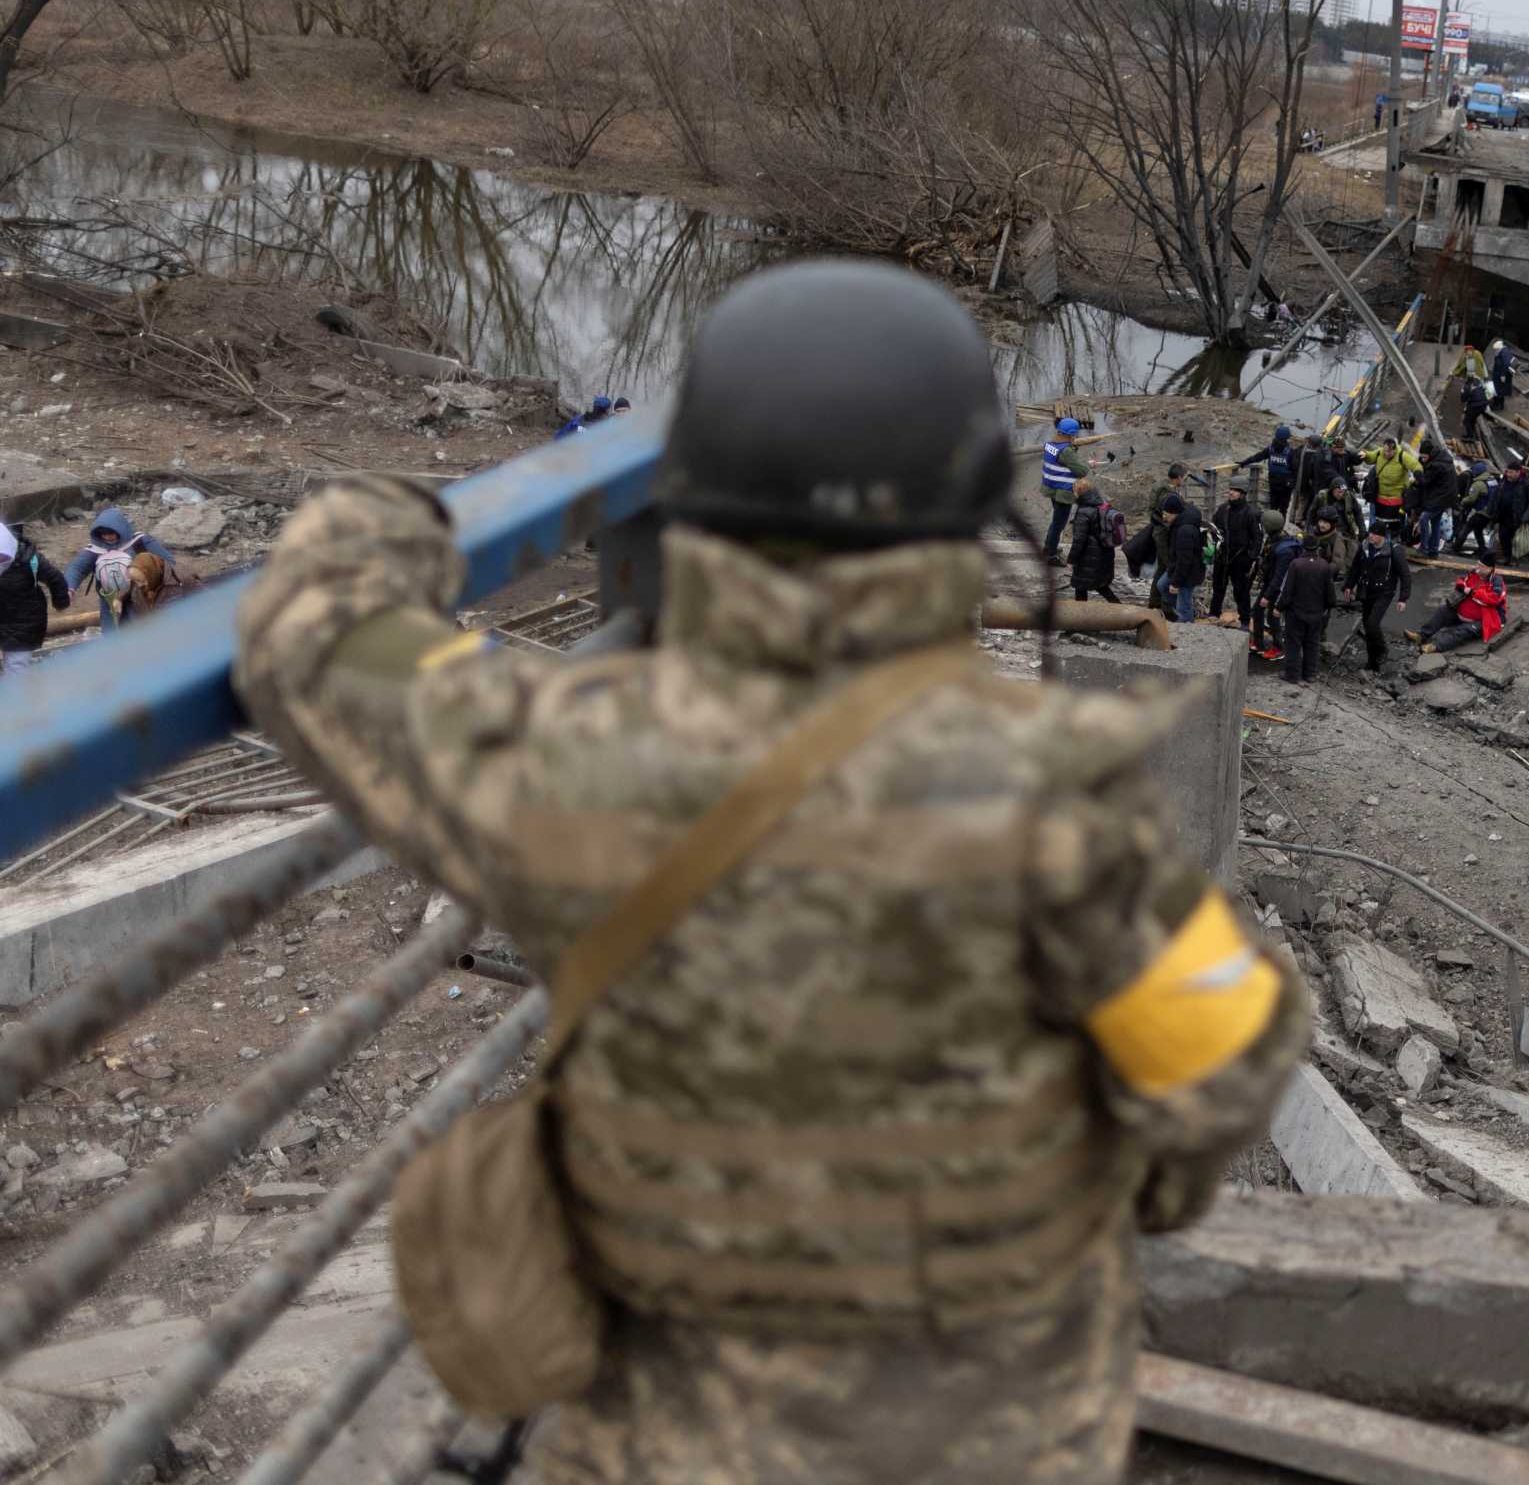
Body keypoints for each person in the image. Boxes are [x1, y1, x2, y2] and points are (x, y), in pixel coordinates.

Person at [233, 259, 1307, 1485]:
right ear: (965, 514)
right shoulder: (1065, 809)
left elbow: (320, 643)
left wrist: (387, 524)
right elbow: (1227, 1061)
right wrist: (1125, 1196)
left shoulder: (571, 758)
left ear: (694, 493)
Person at [64, 507, 177, 635]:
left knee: (145, 630)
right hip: (109, 598)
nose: (108, 536)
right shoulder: (94, 550)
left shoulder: (139, 542)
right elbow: (77, 568)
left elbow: (168, 562)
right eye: (103, 533)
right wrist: (69, 588)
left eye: (111, 532)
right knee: (113, 634)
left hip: (141, 595)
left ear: (120, 528)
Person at [0, 521, 70, 678]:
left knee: (16, 665)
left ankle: (17, 697)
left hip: (23, 620)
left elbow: (55, 578)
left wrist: (61, 601)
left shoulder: (29, 559)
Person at [1342, 523, 1411, 674]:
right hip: (1366, 591)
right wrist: (1349, 586)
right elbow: (1355, 568)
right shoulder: (1364, 547)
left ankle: (1382, 650)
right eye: (1370, 533)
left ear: (1382, 536)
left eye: (1374, 534)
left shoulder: (1394, 550)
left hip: (1384, 593)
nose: (1370, 536)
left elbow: (1405, 575)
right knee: (1368, 628)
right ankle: (1372, 664)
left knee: (1373, 624)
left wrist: (1403, 598)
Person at [1272, 527, 1338, 684]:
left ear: (1303, 547)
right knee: (1312, 644)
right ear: (1317, 549)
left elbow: (1288, 590)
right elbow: (1330, 592)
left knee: (1293, 643)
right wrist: (1329, 606)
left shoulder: (1296, 564)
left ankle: (1292, 675)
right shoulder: (1324, 566)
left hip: (1296, 612)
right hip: (1316, 614)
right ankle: (1310, 674)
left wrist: (1279, 607)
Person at [1410, 559, 1507, 653]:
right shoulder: (1473, 573)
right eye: (1478, 564)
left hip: (1483, 620)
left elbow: (1494, 599)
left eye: (1481, 566)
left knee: (1462, 631)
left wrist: (1474, 592)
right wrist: (1462, 586)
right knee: (1442, 611)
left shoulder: (1497, 581)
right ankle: (1421, 636)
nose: (1478, 567)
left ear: (1489, 569)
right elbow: (1461, 580)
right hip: (1461, 613)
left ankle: (1436, 646)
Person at [1249, 512, 1300, 662]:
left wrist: (1267, 595)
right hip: (1270, 583)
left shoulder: (1285, 551)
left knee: (1273, 617)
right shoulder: (1274, 540)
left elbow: (1279, 577)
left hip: (1278, 588)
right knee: (1257, 611)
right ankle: (1258, 643)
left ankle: (1279, 648)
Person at [1209, 484, 1263, 620]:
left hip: (1241, 557)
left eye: (1236, 490)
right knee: (1218, 587)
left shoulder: (1251, 513)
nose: (1231, 492)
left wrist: (1251, 557)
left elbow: (1257, 538)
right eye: (1231, 489)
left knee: (1241, 590)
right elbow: (1213, 528)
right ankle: (1214, 613)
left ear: (1243, 494)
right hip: (1223, 555)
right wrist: (1216, 545)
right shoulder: (1223, 509)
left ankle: (1244, 618)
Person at [1039, 416, 1089, 564]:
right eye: (1074, 434)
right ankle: (1051, 555)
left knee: (1056, 521)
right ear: (1071, 434)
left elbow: (1062, 462)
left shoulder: (1050, 445)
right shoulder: (1066, 451)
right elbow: (1082, 471)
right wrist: (1083, 463)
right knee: (1059, 524)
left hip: (1051, 489)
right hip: (1063, 493)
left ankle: (1049, 547)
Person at [1065, 483, 1122, 603]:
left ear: (1079, 493)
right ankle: (1120, 608)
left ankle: (1081, 615)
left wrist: (1071, 560)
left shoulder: (1083, 511)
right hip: (1104, 554)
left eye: (1074, 491)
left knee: (1080, 586)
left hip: (1088, 557)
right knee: (1101, 586)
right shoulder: (1102, 505)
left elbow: (1079, 540)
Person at [1156, 494, 1208, 623]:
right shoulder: (1179, 522)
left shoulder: (1185, 530)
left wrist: (1176, 583)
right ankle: (1187, 609)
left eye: (1166, 513)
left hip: (1188, 573)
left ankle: (1187, 626)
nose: (1164, 517)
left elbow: (1185, 561)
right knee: (1162, 585)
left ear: (1174, 513)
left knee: (1183, 607)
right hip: (1178, 567)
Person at [1362, 436, 1420, 541]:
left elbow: (1415, 465)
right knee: (1379, 525)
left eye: (1388, 452)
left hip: (1396, 500)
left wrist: (1418, 473)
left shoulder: (1402, 456)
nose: (1386, 454)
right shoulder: (1380, 453)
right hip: (1380, 498)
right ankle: (1378, 543)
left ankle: (1393, 543)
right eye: (1385, 451)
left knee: (1394, 526)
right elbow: (1371, 457)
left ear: (1394, 450)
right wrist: (1365, 454)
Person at [1236, 425, 1301, 515]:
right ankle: (1279, 526)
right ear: (1287, 438)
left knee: (1273, 506)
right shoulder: (1290, 452)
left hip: (1273, 481)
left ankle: (1271, 525)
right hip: (1286, 484)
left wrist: (1243, 463)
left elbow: (1257, 457)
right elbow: (1296, 469)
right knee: (1283, 509)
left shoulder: (1271, 449)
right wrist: (1292, 483)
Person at [1408, 443, 1457, 559]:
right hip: (1446, 496)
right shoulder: (1442, 457)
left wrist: (1417, 473)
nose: (1423, 460)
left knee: (1424, 519)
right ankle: (1434, 551)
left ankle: (1423, 549)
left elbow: (1424, 481)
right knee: (1435, 523)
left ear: (1430, 455)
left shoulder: (1437, 465)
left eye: (1424, 457)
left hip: (1441, 497)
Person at [1488, 463, 1529, 566]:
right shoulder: (1503, 482)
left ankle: (1515, 558)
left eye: (1511, 472)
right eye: (1507, 471)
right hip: (1503, 515)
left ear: (1518, 472)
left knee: (1517, 540)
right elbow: (1496, 496)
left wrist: (1526, 516)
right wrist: (1491, 510)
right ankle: (1507, 557)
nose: (1508, 474)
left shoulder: (1525, 484)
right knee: (1504, 537)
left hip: (1517, 517)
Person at [1455, 461, 1498, 558]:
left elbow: (1471, 499)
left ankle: (1456, 547)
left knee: (1466, 528)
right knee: (1478, 531)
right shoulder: (1492, 480)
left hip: (1481, 512)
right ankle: (1482, 549)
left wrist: (1461, 501)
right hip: (1490, 512)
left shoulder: (1478, 483)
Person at [1460, 373, 1490, 449]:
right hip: (1483, 404)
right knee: (1472, 419)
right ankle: (1471, 433)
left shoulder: (1466, 387)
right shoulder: (1478, 382)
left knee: (1466, 421)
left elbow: (1463, 400)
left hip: (1475, 405)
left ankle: (1470, 437)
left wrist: (1463, 393)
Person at [1489, 339, 1516, 412]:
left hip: (1501, 375)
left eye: (1496, 350)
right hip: (1499, 374)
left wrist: (1503, 375)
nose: (1495, 351)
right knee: (1499, 390)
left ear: (1499, 348)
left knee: (1499, 390)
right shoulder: (1502, 351)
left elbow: (1506, 364)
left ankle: (1498, 406)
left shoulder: (1504, 352)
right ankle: (1497, 405)